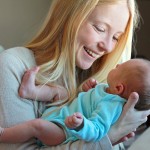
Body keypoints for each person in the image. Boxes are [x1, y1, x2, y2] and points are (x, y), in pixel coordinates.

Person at [0, 0, 150, 150]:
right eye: (100, 28)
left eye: (116, 37)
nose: (108, 47)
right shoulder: (13, 65)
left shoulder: (109, 88)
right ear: (69, 16)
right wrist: (110, 137)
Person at [0, 58, 150, 146]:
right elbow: (88, 102)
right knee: (60, 91)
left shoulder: (111, 107)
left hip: (64, 131)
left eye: (120, 68)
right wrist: (87, 90)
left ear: (119, 87)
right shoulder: (106, 89)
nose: (117, 65)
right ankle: (30, 91)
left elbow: (97, 130)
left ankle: (4, 134)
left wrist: (81, 124)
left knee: (36, 126)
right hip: (63, 113)